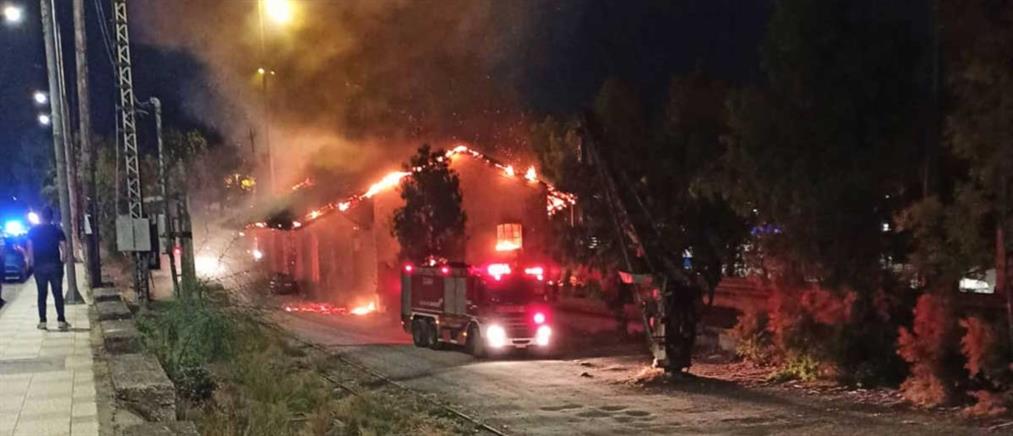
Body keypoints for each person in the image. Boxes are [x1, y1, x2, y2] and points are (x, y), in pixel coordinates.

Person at [27, 207, 69, 331]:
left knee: (42, 294)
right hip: (55, 265)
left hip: (40, 266)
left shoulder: (33, 231)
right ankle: (61, 320)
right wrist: (63, 260)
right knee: (58, 293)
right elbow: (64, 247)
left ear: (41, 217)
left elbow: (30, 248)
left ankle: (43, 321)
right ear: (51, 217)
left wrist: (31, 263)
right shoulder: (57, 230)